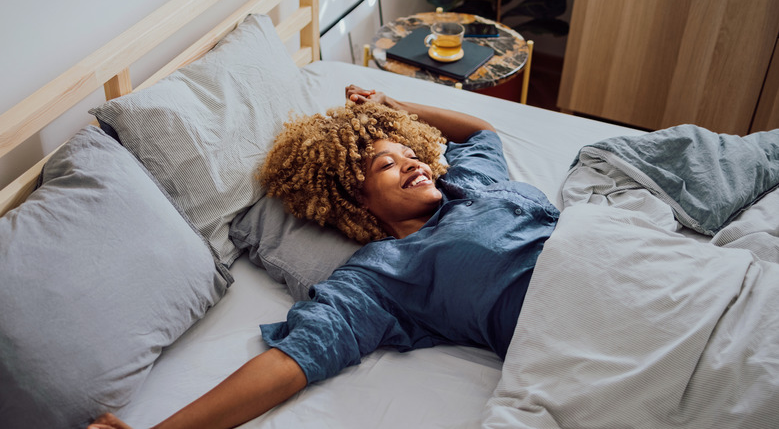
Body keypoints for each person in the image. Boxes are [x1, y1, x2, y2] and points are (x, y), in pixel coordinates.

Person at [88, 85, 559, 429]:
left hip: (604, 251)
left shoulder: (468, 180)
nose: (414, 162)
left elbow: (483, 134)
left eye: (409, 153)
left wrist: (395, 106)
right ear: (357, 201)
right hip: (565, 319)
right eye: (387, 165)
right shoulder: (384, 276)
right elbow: (294, 359)